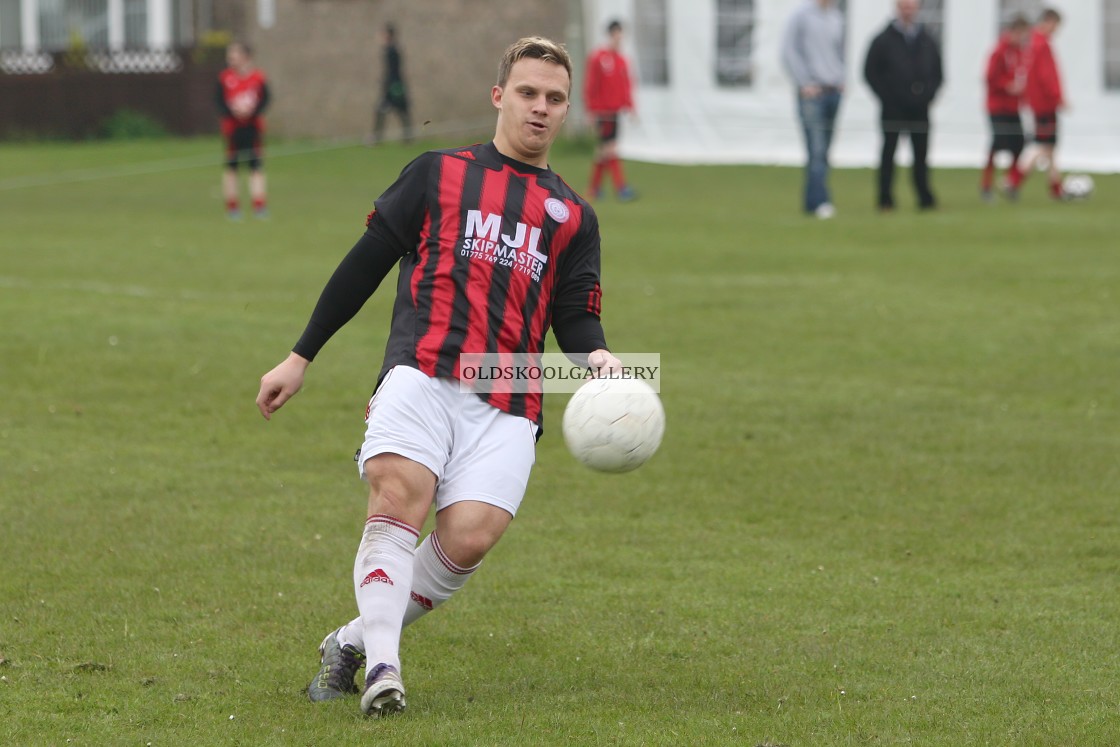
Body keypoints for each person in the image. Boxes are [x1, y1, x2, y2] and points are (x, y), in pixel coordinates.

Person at [255, 36, 621, 717]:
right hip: (421, 370)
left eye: (555, 98)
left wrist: (597, 357)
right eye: (528, 93)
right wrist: (301, 354)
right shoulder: (435, 174)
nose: (540, 108)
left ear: (566, 108)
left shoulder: (575, 216)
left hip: (508, 395)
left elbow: (574, 317)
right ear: (498, 96)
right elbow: (363, 265)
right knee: (398, 498)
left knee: (469, 538)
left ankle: (350, 641)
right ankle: (384, 670)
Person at [863, 0, 943, 211]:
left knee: (921, 154)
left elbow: (938, 72)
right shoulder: (883, 39)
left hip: (920, 108)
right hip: (893, 108)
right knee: (889, 152)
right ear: (897, 8)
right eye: (905, 6)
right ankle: (885, 197)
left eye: (912, 6)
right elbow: (870, 72)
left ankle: (924, 196)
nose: (909, 11)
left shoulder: (926, 39)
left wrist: (928, 95)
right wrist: (887, 97)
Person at [781, 0, 846, 219]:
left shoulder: (837, 16)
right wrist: (804, 82)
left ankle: (811, 202)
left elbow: (840, 51)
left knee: (824, 152)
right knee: (816, 150)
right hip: (812, 93)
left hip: (832, 91)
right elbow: (788, 51)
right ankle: (821, 201)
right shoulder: (802, 15)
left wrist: (841, 78)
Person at [1014, 8, 1065, 200]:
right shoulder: (1041, 44)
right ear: (1050, 21)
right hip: (1044, 104)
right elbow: (1046, 76)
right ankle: (1014, 180)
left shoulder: (1032, 42)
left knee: (1050, 146)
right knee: (1042, 144)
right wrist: (1058, 97)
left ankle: (1056, 187)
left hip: (1039, 102)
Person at [584, 20, 637, 201]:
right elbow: (591, 84)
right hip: (603, 112)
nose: (619, 39)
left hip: (615, 112)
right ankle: (621, 188)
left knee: (603, 151)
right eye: (616, 35)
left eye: (621, 35)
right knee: (610, 149)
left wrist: (630, 107)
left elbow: (626, 86)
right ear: (610, 35)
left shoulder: (622, 60)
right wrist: (591, 110)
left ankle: (594, 189)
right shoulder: (599, 57)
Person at [216, 42, 270, 220]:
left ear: (245, 56)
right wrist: (233, 112)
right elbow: (219, 102)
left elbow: (265, 100)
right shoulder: (224, 78)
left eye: (234, 54)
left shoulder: (258, 77)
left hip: (252, 127)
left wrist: (250, 112)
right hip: (232, 128)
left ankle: (259, 206)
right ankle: (232, 207)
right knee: (232, 168)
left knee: (256, 166)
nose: (230, 58)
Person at [980, 14, 1030, 202]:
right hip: (997, 106)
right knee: (998, 142)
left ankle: (1011, 183)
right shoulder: (999, 51)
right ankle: (986, 185)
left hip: (1013, 107)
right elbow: (990, 77)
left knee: (1018, 144)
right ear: (1013, 32)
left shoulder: (1020, 52)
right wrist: (1007, 85)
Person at [371, 24, 412, 145]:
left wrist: (389, 86)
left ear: (389, 35)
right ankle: (407, 138)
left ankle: (377, 138)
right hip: (394, 86)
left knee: (397, 111)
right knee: (396, 112)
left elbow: (394, 71)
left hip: (393, 88)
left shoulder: (392, 51)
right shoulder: (391, 50)